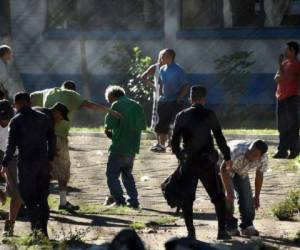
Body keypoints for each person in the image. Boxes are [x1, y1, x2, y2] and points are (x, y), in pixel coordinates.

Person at [30, 80, 121, 211]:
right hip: (59, 138)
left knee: (43, 170)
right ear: (74, 90)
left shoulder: (48, 91)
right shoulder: (73, 94)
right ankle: (62, 202)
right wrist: (111, 112)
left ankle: (40, 202)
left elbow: (31, 97)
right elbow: (90, 105)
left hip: (42, 137)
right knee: (64, 171)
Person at [171, 85, 232, 240]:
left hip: (189, 162)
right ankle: (221, 231)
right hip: (207, 162)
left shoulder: (181, 115)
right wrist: (227, 156)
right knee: (218, 197)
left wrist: (180, 157)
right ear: (204, 99)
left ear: (190, 98)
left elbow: (174, 141)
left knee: (187, 198)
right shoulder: (209, 114)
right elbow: (219, 137)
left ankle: (191, 233)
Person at [1, 92, 55, 237]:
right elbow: (52, 140)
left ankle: (35, 231)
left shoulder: (16, 121)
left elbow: (11, 146)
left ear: (16, 104)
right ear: (30, 102)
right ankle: (42, 232)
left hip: (26, 164)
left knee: (28, 198)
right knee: (42, 198)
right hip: (43, 163)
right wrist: (50, 159)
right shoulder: (44, 118)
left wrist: (5, 163)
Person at [104, 86, 146, 208]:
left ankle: (119, 200)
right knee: (127, 175)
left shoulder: (116, 104)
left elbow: (108, 127)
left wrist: (114, 136)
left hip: (119, 146)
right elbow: (142, 126)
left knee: (112, 175)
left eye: (109, 100)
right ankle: (133, 201)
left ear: (112, 96)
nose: (110, 102)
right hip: (132, 147)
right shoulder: (137, 105)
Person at [219, 140, 268, 237]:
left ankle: (247, 225)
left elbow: (259, 175)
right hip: (222, 167)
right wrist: (229, 191)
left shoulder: (264, 158)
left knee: (247, 197)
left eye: (254, 155)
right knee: (227, 198)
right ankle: (229, 226)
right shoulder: (236, 151)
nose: (250, 156)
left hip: (241, 170)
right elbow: (223, 169)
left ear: (261, 156)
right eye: (249, 152)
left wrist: (257, 196)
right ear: (249, 147)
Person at [151, 49, 190, 153]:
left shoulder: (178, 70)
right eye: (162, 56)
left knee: (176, 124)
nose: (161, 58)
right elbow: (160, 84)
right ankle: (161, 145)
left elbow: (186, 85)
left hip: (175, 102)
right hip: (163, 101)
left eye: (164, 56)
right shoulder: (162, 69)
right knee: (161, 124)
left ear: (171, 57)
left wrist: (179, 97)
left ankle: (174, 146)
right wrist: (160, 95)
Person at [273, 41, 300, 159]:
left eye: (287, 49)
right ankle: (282, 150)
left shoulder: (296, 65)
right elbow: (276, 78)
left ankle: (294, 150)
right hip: (280, 97)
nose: (284, 51)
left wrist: (279, 66)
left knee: (293, 126)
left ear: (293, 51)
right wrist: (280, 67)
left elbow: (283, 77)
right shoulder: (284, 63)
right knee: (282, 126)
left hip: (291, 97)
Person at [0, 100, 23, 236]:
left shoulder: (19, 119)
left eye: (7, 119)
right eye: (1, 120)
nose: (4, 122)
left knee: (18, 194)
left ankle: (9, 226)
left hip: (15, 154)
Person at [139, 49, 167, 130]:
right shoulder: (155, 67)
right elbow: (143, 77)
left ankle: (167, 128)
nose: (165, 58)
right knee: (157, 111)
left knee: (167, 111)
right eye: (163, 56)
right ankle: (155, 128)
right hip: (158, 93)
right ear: (160, 57)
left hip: (169, 93)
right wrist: (153, 87)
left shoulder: (170, 68)